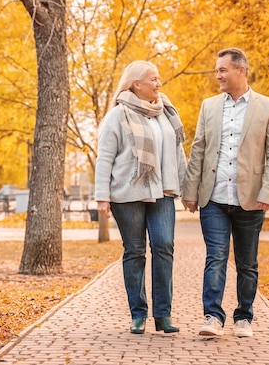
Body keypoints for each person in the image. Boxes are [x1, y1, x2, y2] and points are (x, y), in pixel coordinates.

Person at [181, 47, 269, 338]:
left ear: (241, 70)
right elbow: (198, 149)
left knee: (247, 263)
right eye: (217, 70)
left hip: (250, 199)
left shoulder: (268, 106)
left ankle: (244, 317)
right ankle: (213, 316)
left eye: (223, 70)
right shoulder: (209, 106)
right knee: (215, 257)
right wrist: (190, 190)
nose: (218, 75)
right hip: (213, 198)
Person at [95, 60, 187, 334]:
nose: (159, 84)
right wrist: (102, 196)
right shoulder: (118, 115)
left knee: (164, 246)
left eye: (158, 79)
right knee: (134, 252)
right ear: (136, 84)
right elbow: (105, 158)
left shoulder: (166, 111)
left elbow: (178, 151)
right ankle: (138, 314)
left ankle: (164, 314)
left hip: (162, 193)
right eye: (153, 79)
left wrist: (187, 187)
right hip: (127, 194)